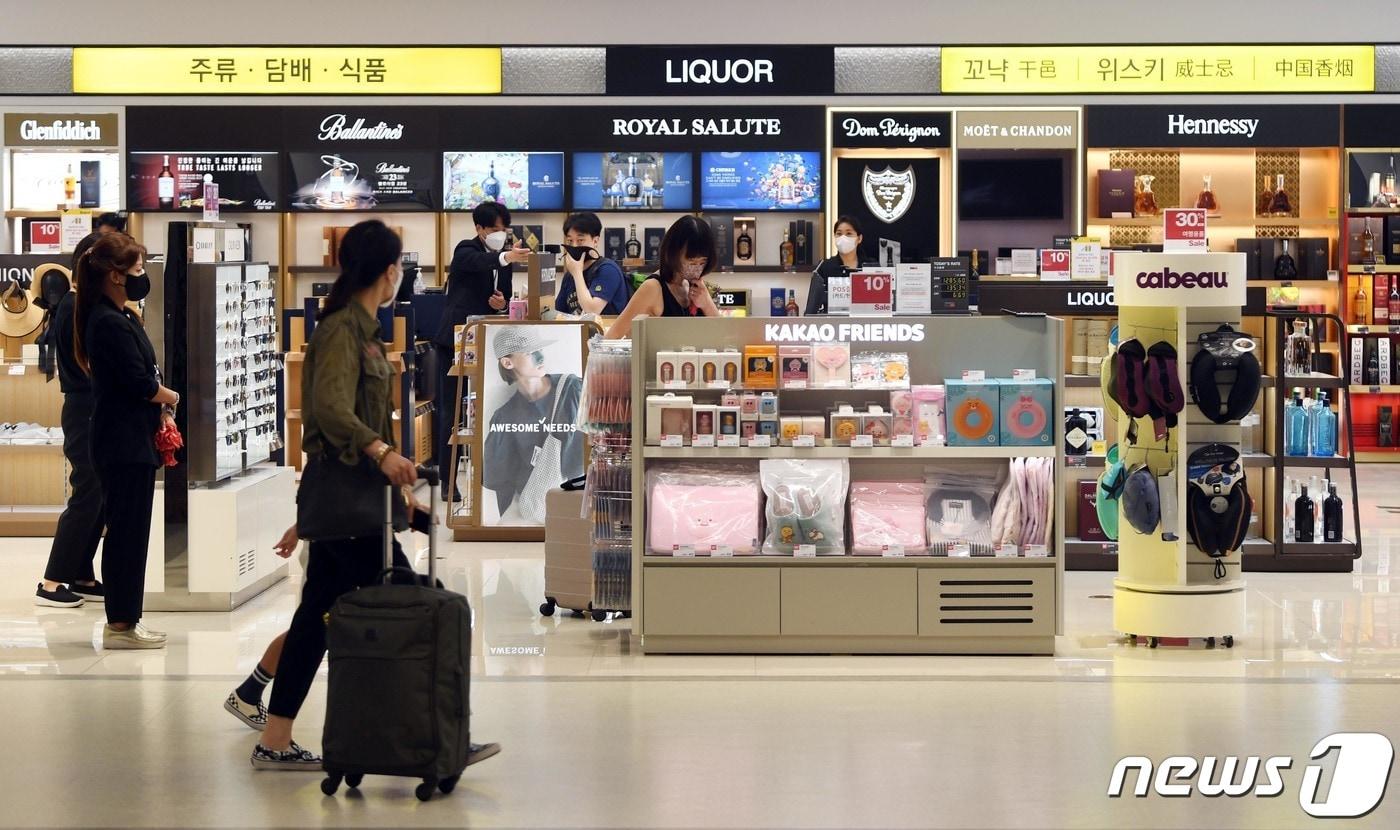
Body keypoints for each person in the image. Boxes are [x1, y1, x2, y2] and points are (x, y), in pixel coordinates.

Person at [255, 220, 498, 771]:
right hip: (347, 500)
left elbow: (347, 419)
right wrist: (383, 453)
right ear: (389, 271)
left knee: (320, 616)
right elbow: (333, 412)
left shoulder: (358, 329)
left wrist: (397, 497)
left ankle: (276, 735)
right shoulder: (343, 330)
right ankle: (438, 734)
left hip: (349, 500)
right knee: (422, 600)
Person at [73, 233, 180, 649]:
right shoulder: (105, 322)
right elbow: (139, 382)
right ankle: (120, 623)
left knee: (132, 533)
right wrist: (169, 396)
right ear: (116, 276)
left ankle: (127, 619)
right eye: (136, 270)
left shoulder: (124, 317)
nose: (141, 277)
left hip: (135, 439)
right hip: (121, 443)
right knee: (126, 534)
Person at [433, 201, 530, 500]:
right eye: (494, 229)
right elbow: (478, 264)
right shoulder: (466, 249)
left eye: (504, 229)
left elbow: (501, 292)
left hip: (487, 341)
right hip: (455, 342)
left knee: (489, 407)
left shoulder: (506, 259)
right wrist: (504, 256)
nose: (500, 234)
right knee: (451, 411)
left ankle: (493, 474)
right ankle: (448, 481)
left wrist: (501, 303)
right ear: (479, 229)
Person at [33, 232, 108, 608]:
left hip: (91, 407)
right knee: (87, 493)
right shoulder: (74, 306)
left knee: (98, 494)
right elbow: (87, 366)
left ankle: (81, 571)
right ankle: (51, 581)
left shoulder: (81, 305)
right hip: (84, 409)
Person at [482, 328, 583, 525]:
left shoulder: (572, 389)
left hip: (581, 503)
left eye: (540, 349)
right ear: (507, 362)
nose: (540, 357)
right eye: (529, 352)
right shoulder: (504, 417)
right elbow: (501, 480)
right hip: (538, 511)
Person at [603, 215, 719, 339]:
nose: (697, 268)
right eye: (691, 262)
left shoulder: (693, 286)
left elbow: (722, 333)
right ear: (674, 253)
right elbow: (612, 336)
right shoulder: (653, 288)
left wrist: (707, 304)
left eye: (702, 262)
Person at [556, 212, 630, 316]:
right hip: (575, 331)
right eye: (569, 241)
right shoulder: (569, 275)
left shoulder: (608, 270)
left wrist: (577, 273)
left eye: (580, 240)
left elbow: (592, 311)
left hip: (605, 331)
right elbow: (559, 314)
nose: (574, 246)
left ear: (595, 241)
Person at [804, 215, 864, 316]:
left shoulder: (871, 266)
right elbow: (812, 308)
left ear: (859, 238)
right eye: (839, 234)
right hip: (832, 324)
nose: (843, 238)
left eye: (849, 233)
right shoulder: (824, 266)